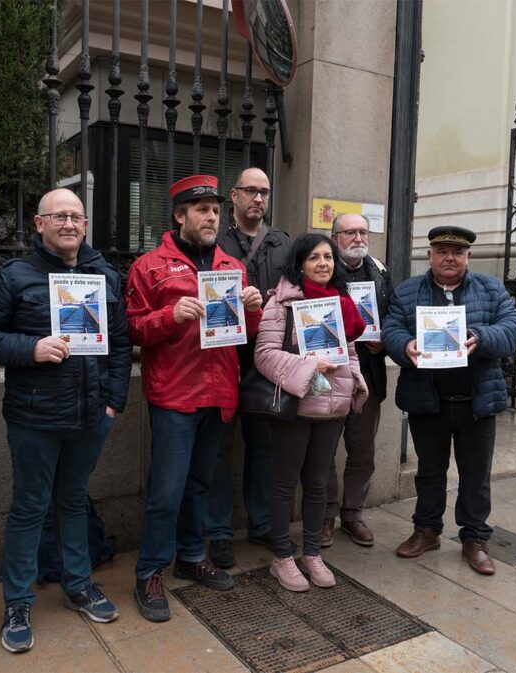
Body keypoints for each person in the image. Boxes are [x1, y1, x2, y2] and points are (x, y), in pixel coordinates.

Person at [0, 188, 131, 652]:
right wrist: (31, 349)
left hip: (90, 414)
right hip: (35, 417)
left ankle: (78, 585)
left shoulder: (103, 275)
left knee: (74, 500)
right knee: (29, 507)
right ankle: (17, 602)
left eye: (76, 217)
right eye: (59, 216)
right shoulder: (15, 275)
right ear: (38, 224)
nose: (69, 224)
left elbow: (120, 343)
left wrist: (112, 401)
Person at [126, 174, 263, 622]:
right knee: (166, 491)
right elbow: (130, 328)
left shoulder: (232, 267)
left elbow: (247, 338)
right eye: (202, 209)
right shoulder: (150, 266)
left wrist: (255, 310)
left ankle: (190, 554)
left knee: (199, 485)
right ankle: (150, 571)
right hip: (173, 394)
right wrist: (170, 316)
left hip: (218, 391)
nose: (211, 216)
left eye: (216, 210)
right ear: (180, 215)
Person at [382, 226, 516, 576]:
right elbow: (391, 328)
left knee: (476, 476)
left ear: (468, 257)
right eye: (442, 250)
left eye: (457, 252)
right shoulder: (408, 290)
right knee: (429, 472)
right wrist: (404, 346)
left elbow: (513, 328)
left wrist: (479, 336)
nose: (449, 257)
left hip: (477, 401)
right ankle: (427, 531)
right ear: (430, 254)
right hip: (428, 401)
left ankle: (474, 539)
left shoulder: (491, 289)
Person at [254, 233, 368, 592]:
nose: (323, 264)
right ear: (299, 263)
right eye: (315, 257)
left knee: (318, 484)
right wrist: (306, 366)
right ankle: (282, 557)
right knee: (286, 483)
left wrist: (354, 381)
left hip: (332, 408)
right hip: (295, 406)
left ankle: (313, 554)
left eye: (328, 257)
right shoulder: (281, 303)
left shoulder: (341, 304)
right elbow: (265, 355)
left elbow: (349, 352)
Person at [206, 167, 292, 568]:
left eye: (265, 192)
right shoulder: (213, 239)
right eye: (251, 191)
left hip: (265, 361)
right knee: (219, 450)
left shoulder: (282, 244)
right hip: (220, 358)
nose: (259, 199)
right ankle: (219, 531)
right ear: (234, 195)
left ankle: (260, 523)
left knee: (263, 447)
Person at [323, 213, 392, 548]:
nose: (357, 238)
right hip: (330, 375)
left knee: (362, 452)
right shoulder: (321, 267)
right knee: (322, 453)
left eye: (363, 231)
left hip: (368, 374)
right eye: (349, 232)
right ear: (335, 237)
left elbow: (393, 316)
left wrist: (386, 340)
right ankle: (324, 517)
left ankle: (352, 515)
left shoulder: (379, 272)